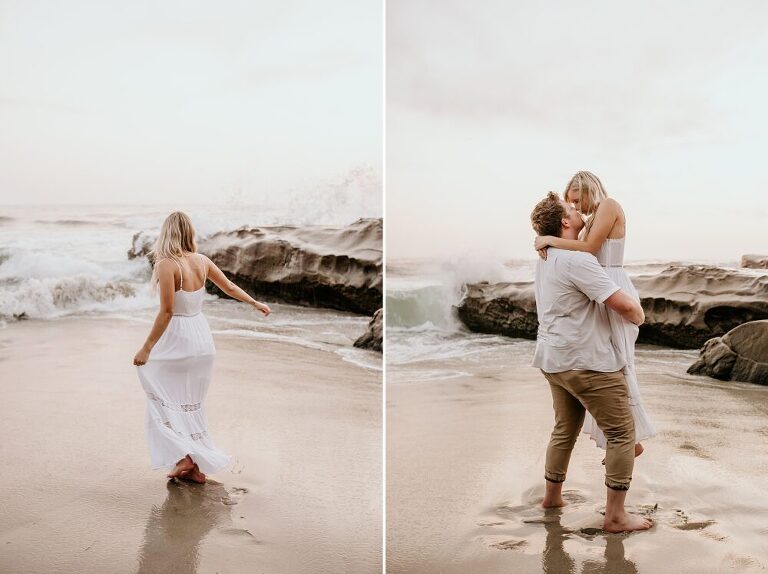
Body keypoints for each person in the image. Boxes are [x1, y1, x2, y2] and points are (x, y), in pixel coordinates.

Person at [530, 192, 652, 532]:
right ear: (566, 222)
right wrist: (640, 317)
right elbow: (623, 305)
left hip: (552, 360)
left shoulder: (545, 257)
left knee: (564, 429)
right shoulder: (579, 261)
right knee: (622, 433)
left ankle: (552, 499)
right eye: (571, 208)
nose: (578, 209)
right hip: (587, 362)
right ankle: (616, 517)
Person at [133, 211, 271, 483]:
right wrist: (255, 303)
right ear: (189, 233)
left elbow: (167, 311)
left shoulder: (166, 264)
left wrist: (147, 348)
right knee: (192, 404)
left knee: (161, 396)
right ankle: (194, 466)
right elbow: (229, 287)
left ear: (166, 233)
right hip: (202, 339)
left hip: (179, 339)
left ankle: (184, 458)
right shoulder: (202, 261)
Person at [534, 171, 655, 458]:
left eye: (577, 200)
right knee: (608, 360)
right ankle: (624, 436)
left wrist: (549, 239)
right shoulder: (589, 220)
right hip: (597, 289)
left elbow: (589, 249)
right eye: (571, 205)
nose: (577, 208)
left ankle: (627, 436)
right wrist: (549, 242)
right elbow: (579, 249)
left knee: (619, 360)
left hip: (612, 284)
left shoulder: (609, 206)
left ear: (590, 188)